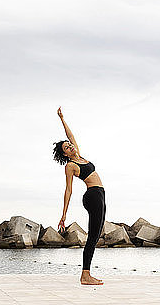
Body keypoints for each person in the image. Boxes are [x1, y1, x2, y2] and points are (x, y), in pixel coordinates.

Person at [53, 106, 106, 285]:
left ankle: (86, 273)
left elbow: (70, 135)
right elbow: (68, 190)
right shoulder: (71, 166)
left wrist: (62, 118)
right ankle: (85, 275)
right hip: (92, 196)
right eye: (66, 147)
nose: (70, 145)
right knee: (93, 235)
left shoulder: (81, 156)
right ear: (65, 154)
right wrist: (64, 215)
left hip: (100, 194)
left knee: (96, 234)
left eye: (69, 144)